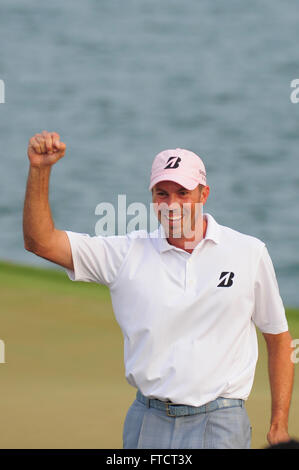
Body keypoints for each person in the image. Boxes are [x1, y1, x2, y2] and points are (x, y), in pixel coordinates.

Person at [23, 130, 295, 449]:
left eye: (183, 192)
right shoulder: (125, 253)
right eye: (162, 193)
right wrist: (41, 170)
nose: (172, 204)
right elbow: (40, 241)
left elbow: (277, 339)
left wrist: (279, 424)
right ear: (152, 198)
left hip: (221, 420)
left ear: (203, 194)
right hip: (147, 418)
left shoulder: (248, 252)